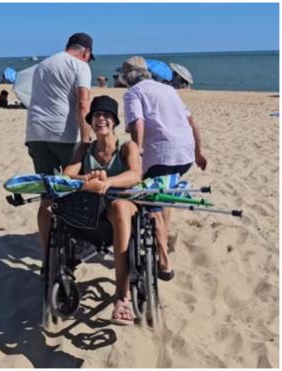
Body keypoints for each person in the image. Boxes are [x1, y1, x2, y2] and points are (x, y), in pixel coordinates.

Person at [120, 56, 207, 282]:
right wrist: (198, 152)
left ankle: (164, 261)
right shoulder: (168, 90)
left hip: (162, 154)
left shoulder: (133, 93)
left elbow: (138, 123)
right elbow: (192, 122)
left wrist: (137, 150)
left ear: (128, 77)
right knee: (163, 192)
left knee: (152, 202)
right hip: (185, 153)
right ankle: (165, 234)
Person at [63, 95, 142, 325]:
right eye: (97, 115)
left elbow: (135, 174)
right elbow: (67, 174)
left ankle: (122, 297)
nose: (101, 119)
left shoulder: (127, 147)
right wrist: (87, 178)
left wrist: (107, 182)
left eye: (106, 115)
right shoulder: (85, 148)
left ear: (114, 121)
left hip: (121, 203)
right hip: (90, 211)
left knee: (118, 207)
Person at [25, 32, 94, 250]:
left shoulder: (43, 65)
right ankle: (77, 241)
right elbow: (84, 104)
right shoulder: (80, 66)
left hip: (35, 134)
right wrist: (86, 139)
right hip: (64, 135)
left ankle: (46, 251)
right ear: (86, 52)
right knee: (77, 189)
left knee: (47, 195)